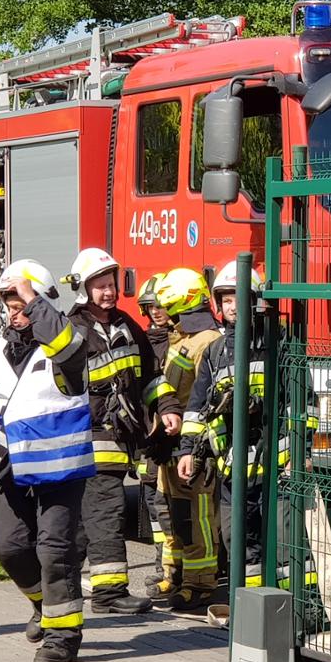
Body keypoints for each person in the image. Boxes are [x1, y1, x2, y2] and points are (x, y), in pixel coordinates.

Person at [0, 260, 95, 662]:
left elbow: (66, 346)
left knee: (56, 550)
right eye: (11, 305)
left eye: (24, 305)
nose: (15, 313)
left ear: (44, 303)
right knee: (11, 548)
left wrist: (34, 301)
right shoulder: (2, 350)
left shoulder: (68, 346)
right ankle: (43, 606)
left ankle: (63, 636)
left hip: (60, 469)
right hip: (13, 466)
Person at [176, 260, 316, 590]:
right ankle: (251, 617)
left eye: (238, 298)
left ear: (254, 300)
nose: (232, 306)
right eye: (225, 300)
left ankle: (301, 611)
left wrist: (301, 449)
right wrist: (187, 452)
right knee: (238, 545)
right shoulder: (214, 352)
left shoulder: (280, 344)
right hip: (233, 469)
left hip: (278, 466)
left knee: (286, 546)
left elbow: (304, 404)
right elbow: (196, 407)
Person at [64, 248, 180, 614]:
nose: (108, 291)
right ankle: (109, 593)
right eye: (99, 285)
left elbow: (150, 377)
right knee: (106, 513)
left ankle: (59, 590)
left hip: (119, 439)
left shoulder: (128, 326)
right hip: (88, 437)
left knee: (86, 523)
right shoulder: (73, 332)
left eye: (111, 283)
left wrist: (167, 407)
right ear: (84, 289)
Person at [150, 268, 224, 611]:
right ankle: (175, 574)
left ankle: (201, 583)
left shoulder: (206, 340)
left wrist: (194, 447)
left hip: (193, 448)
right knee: (172, 514)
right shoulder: (180, 337)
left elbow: (202, 399)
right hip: (171, 445)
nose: (163, 313)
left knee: (198, 519)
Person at [133, 273, 181, 600]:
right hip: (148, 439)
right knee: (153, 503)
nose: (157, 312)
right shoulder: (142, 342)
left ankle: (178, 568)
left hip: (175, 435)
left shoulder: (181, 340)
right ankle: (161, 563)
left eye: (162, 306)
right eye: (151, 307)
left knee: (176, 504)